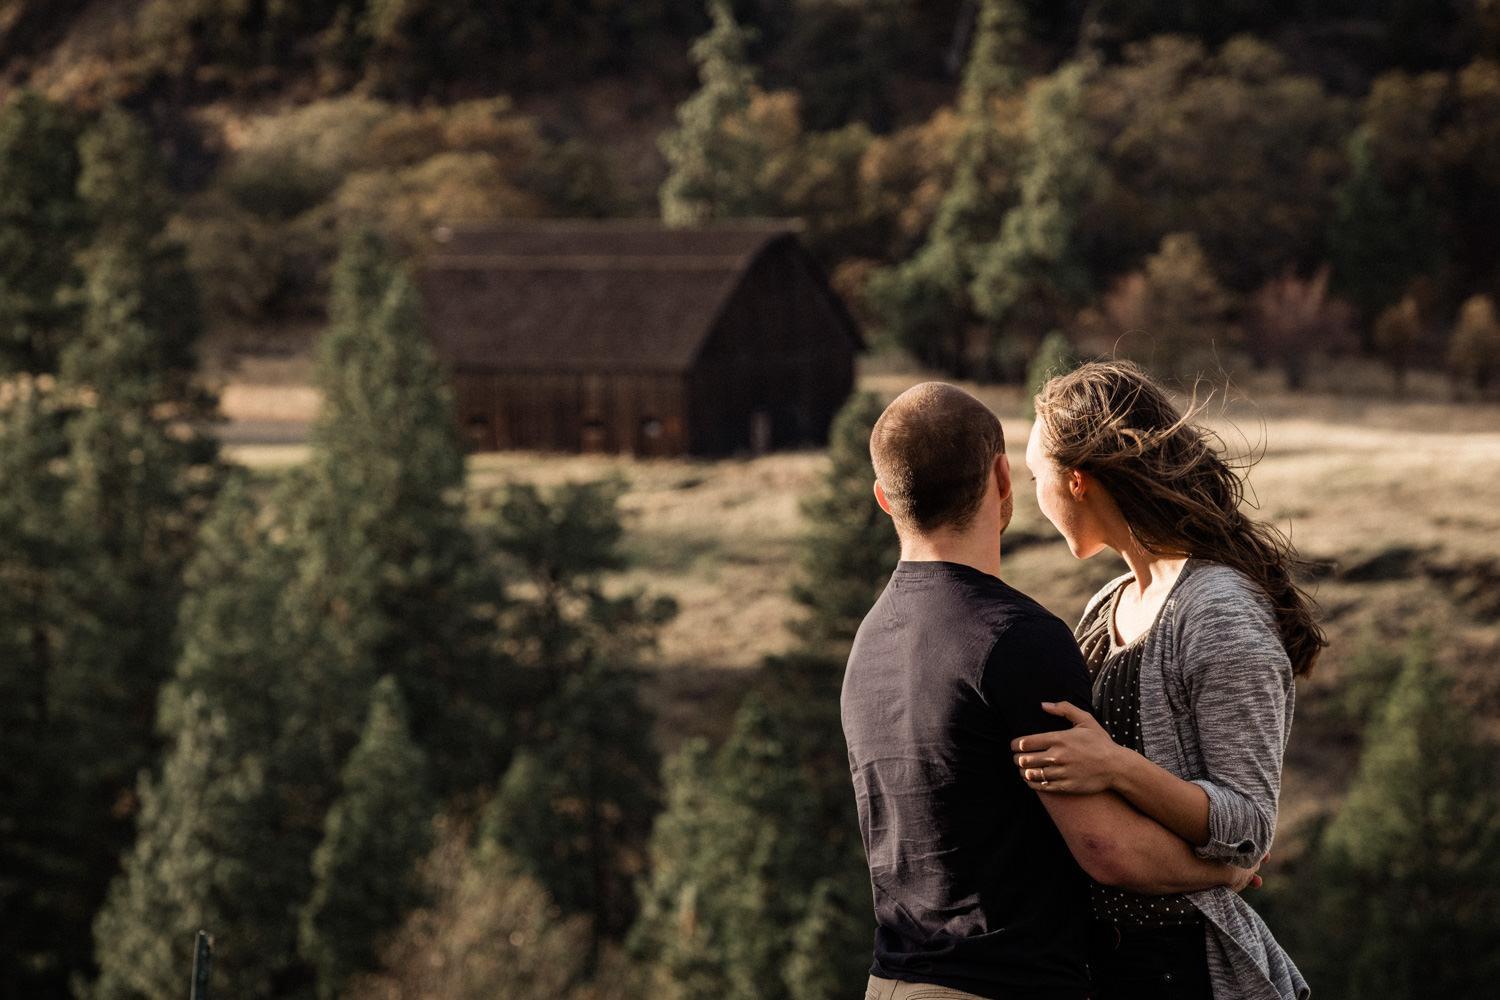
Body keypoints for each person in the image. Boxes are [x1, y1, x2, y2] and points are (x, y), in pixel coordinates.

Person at [841, 382, 1259, 1000]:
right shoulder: (1017, 638)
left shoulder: (869, 640)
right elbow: (1105, 848)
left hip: (891, 981)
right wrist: (1228, 869)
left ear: (884, 498)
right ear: (1001, 478)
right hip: (1000, 986)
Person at [1013, 360, 1319, 1000]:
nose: (1032, 497)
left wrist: (1115, 766)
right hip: (1092, 960)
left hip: (1181, 965)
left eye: (1036, 477)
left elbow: (1249, 824)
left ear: (1076, 481)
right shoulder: (1107, 605)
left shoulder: (1219, 611)